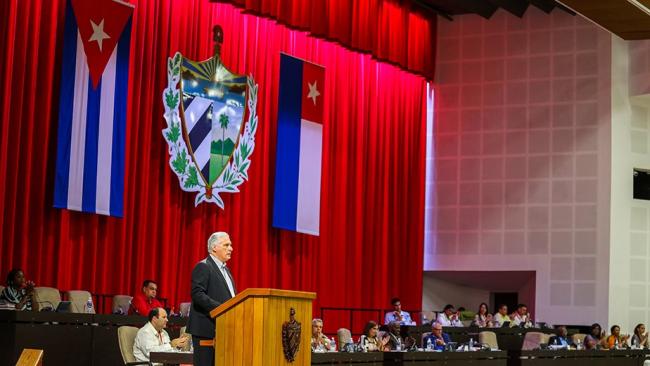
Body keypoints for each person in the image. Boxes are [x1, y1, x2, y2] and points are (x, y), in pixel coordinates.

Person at [187, 232, 237, 366]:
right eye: (226, 245)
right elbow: (197, 294)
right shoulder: (203, 266)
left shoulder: (227, 271)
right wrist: (222, 309)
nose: (231, 248)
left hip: (223, 330)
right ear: (214, 247)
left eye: (231, 245)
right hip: (206, 330)